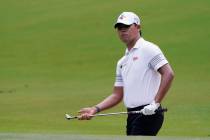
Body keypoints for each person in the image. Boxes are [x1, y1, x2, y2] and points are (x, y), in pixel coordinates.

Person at [78, 12, 174, 136]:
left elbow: (168, 73)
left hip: (149, 113)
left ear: (138, 27)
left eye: (127, 27)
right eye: (119, 28)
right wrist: (95, 109)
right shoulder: (122, 62)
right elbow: (117, 95)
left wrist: (155, 103)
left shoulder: (149, 49)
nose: (123, 31)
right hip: (132, 115)